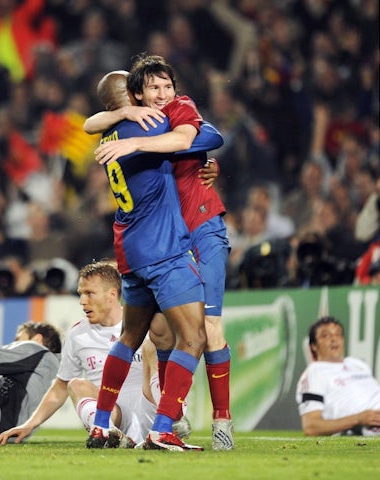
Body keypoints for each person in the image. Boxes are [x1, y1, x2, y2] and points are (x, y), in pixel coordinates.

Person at [84, 54, 234, 450]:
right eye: (152, 89)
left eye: (166, 88)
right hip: (163, 248)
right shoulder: (153, 123)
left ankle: (100, 423)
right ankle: (164, 427)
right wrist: (182, 139)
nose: (163, 96)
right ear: (134, 96)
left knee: (131, 336)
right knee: (195, 336)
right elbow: (204, 136)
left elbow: (89, 123)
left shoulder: (108, 134)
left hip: (128, 249)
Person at [0, 261, 163, 448]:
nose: (82, 301)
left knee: (152, 347)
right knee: (75, 384)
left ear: (112, 294)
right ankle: (110, 433)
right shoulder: (77, 334)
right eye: (81, 294)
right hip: (114, 415)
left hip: (149, 409)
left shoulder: (144, 324)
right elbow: (60, 387)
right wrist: (29, 425)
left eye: (89, 293)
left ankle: (167, 422)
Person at [296, 316, 380, 436]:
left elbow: (376, 396)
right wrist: (358, 419)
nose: (334, 339)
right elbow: (310, 426)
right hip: (377, 418)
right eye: (325, 335)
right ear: (313, 345)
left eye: (338, 334)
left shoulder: (356, 364)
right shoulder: (314, 372)